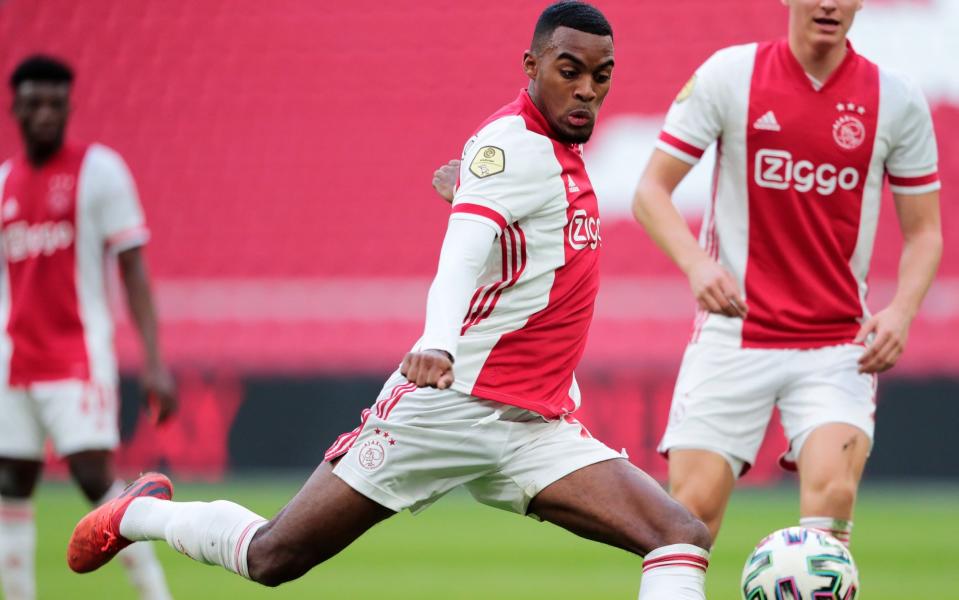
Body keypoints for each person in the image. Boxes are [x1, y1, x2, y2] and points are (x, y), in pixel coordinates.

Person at [67, 3, 712, 598]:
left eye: (601, 75)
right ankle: (143, 510)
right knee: (274, 557)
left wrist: (468, 188)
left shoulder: (546, 153)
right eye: (569, 70)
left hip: (534, 428)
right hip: (447, 410)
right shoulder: (514, 145)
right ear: (532, 65)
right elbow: (462, 250)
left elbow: (508, 236)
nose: (587, 89)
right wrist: (437, 340)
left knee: (679, 535)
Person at [632, 0, 942, 548]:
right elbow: (650, 192)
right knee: (687, 520)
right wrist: (697, 265)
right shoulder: (730, 75)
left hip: (837, 342)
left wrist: (901, 312)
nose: (829, 3)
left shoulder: (895, 98)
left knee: (832, 498)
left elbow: (925, 233)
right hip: (735, 332)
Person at [0, 56, 178, 600]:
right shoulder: (4, 181)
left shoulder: (100, 171)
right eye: (35, 104)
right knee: (10, 484)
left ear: (70, 107)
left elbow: (134, 268)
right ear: (16, 109)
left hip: (76, 357)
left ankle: (155, 593)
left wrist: (153, 360)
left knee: (94, 480)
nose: (46, 114)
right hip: (14, 361)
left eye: (56, 103)